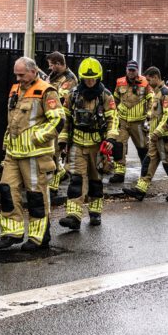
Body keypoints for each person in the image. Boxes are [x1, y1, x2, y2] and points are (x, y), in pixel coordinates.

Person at [0, 57, 63, 251]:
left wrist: (38, 137)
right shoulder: (16, 89)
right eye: (16, 74)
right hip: (14, 152)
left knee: (36, 196)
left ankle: (39, 236)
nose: (18, 78)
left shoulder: (46, 90)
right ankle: (12, 232)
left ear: (33, 71)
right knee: (7, 190)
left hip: (35, 154)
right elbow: (14, 120)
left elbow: (58, 120)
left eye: (21, 74)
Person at [57, 57, 121, 230]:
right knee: (76, 179)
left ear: (98, 78)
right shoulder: (73, 94)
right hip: (77, 143)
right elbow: (65, 119)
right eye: (86, 78)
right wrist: (62, 140)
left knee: (95, 180)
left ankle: (95, 213)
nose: (90, 81)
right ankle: (73, 216)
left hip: (97, 146)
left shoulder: (105, 96)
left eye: (92, 78)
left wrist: (110, 138)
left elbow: (113, 119)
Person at [123, 66, 168, 202]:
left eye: (150, 80)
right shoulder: (157, 93)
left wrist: (157, 132)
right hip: (156, 137)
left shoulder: (165, 92)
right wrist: (149, 118)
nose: (148, 83)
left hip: (165, 137)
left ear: (156, 77)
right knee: (148, 162)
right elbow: (158, 114)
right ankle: (140, 190)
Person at [111, 60, 152, 183]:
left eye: (133, 70)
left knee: (143, 147)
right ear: (126, 70)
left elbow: (151, 100)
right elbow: (115, 99)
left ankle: (145, 172)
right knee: (119, 146)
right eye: (129, 70)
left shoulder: (145, 83)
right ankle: (119, 173)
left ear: (137, 71)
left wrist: (149, 115)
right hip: (122, 120)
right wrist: (113, 114)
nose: (131, 72)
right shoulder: (120, 82)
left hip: (138, 122)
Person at [45, 51, 78, 195]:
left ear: (59, 64)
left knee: (55, 152)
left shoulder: (69, 79)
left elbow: (60, 97)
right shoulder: (53, 76)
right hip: (51, 119)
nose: (50, 68)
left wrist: (46, 87)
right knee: (51, 151)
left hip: (62, 120)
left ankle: (53, 187)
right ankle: (61, 172)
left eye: (52, 65)